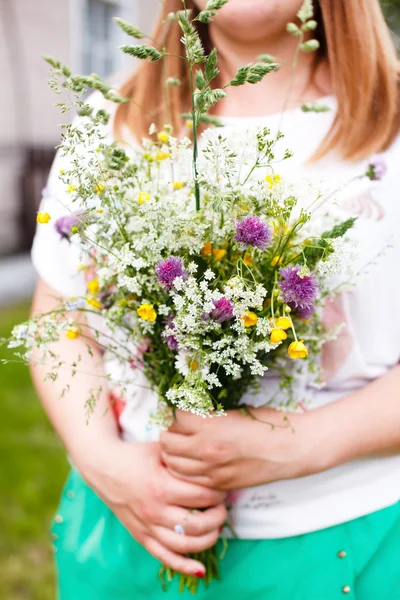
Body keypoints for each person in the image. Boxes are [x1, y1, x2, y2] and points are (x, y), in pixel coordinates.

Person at [30, 1, 400, 598]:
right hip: (130, 532)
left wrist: (299, 447)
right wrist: (105, 462)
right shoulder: (115, 121)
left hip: (350, 541)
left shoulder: (391, 124)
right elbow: (61, 308)